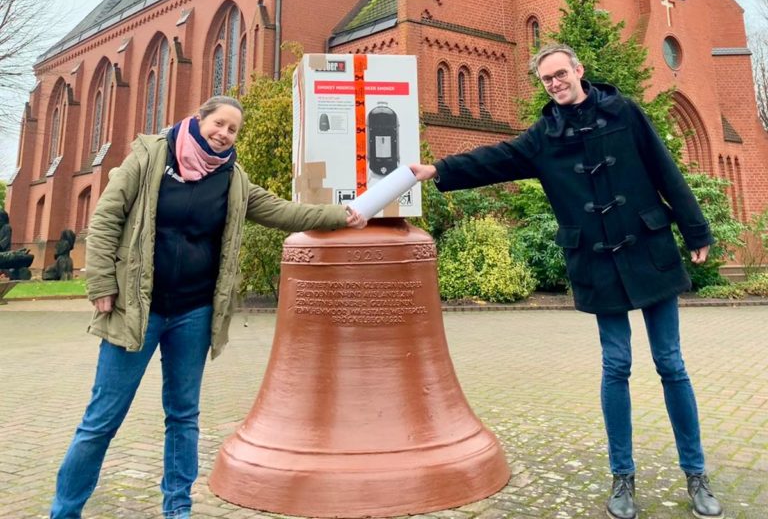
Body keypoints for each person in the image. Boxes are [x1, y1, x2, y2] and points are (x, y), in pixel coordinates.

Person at [410, 45, 723, 519]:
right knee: (616, 364)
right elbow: (496, 158)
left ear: (578, 71)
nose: (555, 83)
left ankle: (696, 475)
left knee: (671, 363)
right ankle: (623, 477)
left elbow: (664, 169)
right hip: (597, 264)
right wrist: (440, 170)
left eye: (560, 74)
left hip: (649, 250)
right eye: (546, 79)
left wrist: (695, 228)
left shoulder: (625, 113)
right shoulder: (544, 138)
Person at [50, 94, 366, 519]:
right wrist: (101, 283)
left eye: (233, 129)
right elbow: (106, 218)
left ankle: (177, 509)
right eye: (219, 123)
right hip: (136, 308)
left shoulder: (233, 178)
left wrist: (339, 215)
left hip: (194, 312)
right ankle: (65, 511)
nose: (224, 133)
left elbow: (281, 211)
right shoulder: (149, 158)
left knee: (183, 415)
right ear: (199, 119)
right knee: (101, 420)